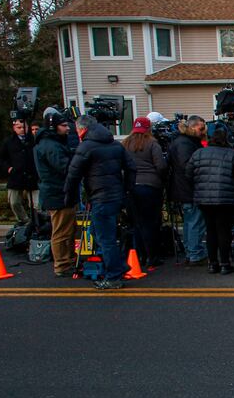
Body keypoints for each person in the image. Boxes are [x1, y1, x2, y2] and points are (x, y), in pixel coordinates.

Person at [64, 115, 136, 290]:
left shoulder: (86, 147)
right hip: (114, 196)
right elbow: (131, 167)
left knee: (105, 238)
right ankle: (117, 265)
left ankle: (114, 275)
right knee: (98, 233)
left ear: (82, 130)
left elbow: (73, 175)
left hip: (100, 197)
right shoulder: (115, 145)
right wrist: (126, 189)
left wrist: (69, 197)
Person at [185, 122, 234, 275]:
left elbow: (188, 173)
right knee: (223, 230)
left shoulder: (199, 153)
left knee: (211, 230)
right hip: (225, 197)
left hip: (204, 198)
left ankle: (212, 263)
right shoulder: (231, 153)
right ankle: (225, 263)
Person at [33, 112, 77, 277]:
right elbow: (65, 167)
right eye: (64, 126)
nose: (67, 129)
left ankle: (69, 259)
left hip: (61, 191)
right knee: (61, 231)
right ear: (53, 126)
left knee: (69, 228)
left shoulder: (55, 143)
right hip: (57, 192)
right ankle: (62, 264)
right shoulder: (50, 146)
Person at [123, 117, 168, 269]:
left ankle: (139, 256)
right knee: (151, 223)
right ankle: (152, 256)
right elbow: (161, 166)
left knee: (136, 224)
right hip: (150, 186)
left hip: (131, 186)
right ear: (149, 129)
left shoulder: (126, 144)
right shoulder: (152, 143)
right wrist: (162, 179)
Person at [167, 115, 208, 266]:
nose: (203, 131)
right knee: (195, 222)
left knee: (191, 221)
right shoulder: (185, 144)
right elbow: (187, 166)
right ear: (192, 127)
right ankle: (195, 253)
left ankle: (192, 251)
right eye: (201, 128)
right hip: (189, 189)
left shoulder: (182, 141)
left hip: (185, 188)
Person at [0, 117, 39, 226]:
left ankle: (38, 221)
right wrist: (8, 168)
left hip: (33, 176)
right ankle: (24, 220)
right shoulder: (9, 141)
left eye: (24, 127)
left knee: (37, 204)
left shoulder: (34, 140)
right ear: (14, 128)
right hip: (16, 175)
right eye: (19, 127)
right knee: (14, 202)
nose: (22, 129)